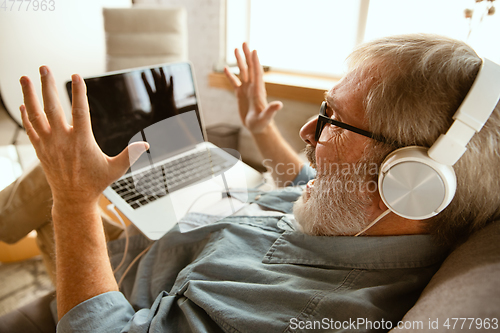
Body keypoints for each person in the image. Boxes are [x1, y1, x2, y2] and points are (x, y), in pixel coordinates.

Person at [1, 33, 499, 332]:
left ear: (409, 179)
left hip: (117, 285)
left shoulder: (300, 313)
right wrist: (260, 126)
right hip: (191, 226)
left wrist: (74, 200)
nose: (308, 131)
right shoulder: (375, 217)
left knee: (58, 172)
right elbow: (312, 177)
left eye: (333, 121)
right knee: (107, 159)